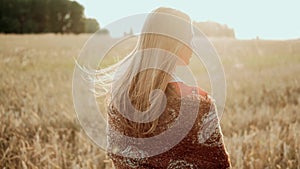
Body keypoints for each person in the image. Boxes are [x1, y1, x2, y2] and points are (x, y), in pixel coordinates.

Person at [100, 7, 231, 169]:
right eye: (188, 40)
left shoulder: (119, 100)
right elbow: (219, 165)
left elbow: (118, 156)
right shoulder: (198, 104)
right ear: (173, 44)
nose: (192, 47)